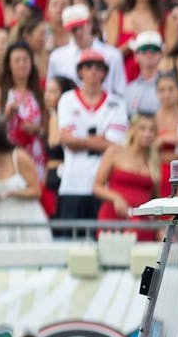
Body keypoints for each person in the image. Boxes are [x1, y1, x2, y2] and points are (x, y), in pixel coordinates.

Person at [55, 50, 129, 232]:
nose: (93, 71)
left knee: (102, 245)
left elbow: (115, 146)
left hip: (103, 185)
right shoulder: (67, 99)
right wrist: (99, 140)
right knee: (69, 244)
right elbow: (66, 140)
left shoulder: (116, 103)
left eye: (98, 66)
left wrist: (80, 140)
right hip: (73, 183)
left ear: (105, 72)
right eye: (88, 66)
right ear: (80, 71)